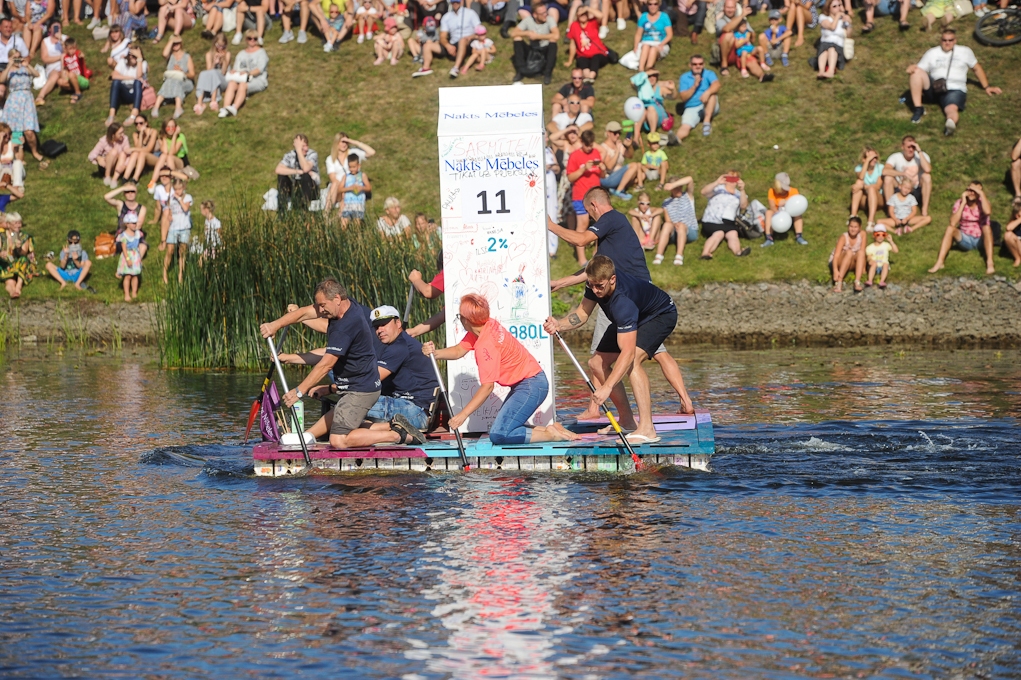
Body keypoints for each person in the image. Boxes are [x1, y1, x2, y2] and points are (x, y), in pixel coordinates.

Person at [546, 186, 696, 416]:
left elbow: (580, 240)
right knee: (654, 353)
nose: (590, 218)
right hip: (636, 296)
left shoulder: (610, 218)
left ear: (594, 206)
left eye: (588, 212)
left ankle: (604, 411)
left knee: (616, 359)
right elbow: (593, 270)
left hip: (625, 299)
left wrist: (549, 225)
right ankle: (686, 402)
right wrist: (561, 283)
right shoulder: (610, 239)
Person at [262, 279, 429, 449]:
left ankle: (398, 435)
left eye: (322, 305)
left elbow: (326, 363)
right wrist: (275, 325)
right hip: (355, 386)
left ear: (337, 299)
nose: (379, 330)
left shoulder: (348, 326)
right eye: (376, 325)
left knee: (338, 440)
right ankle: (308, 436)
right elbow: (305, 313)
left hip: (367, 390)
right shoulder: (345, 307)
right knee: (342, 409)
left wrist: (299, 391)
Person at [544, 255, 677, 444]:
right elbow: (582, 314)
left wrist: (606, 388)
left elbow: (628, 353)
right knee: (596, 363)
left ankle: (647, 429)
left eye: (601, 286)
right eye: (592, 285)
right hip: (634, 315)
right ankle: (627, 421)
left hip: (659, 315)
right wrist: (559, 325)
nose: (596, 291)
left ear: (612, 279)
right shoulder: (594, 284)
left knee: (632, 362)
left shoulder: (624, 302)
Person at [424, 293, 577, 444]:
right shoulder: (487, 325)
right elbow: (458, 350)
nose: (460, 320)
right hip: (529, 383)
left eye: (460, 316)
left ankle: (552, 435)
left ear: (467, 320)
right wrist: (435, 353)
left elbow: (487, 387)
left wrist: (462, 415)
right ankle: (551, 429)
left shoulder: (486, 345)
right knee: (504, 429)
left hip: (531, 385)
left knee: (500, 435)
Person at [907, 28, 1001, 136]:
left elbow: (977, 69)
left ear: (955, 40)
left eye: (950, 40)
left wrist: (987, 87)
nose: (947, 43)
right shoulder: (932, 52)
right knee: (916, 73)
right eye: (944, 40)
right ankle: (918, 109)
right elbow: (919, 68)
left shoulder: (965, 51)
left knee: (951, 108)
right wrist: (912, 68)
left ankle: (950, 123)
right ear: (940, 40)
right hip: (935, 86)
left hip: (954, 88)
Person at [928, 181, 995, 276]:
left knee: (987, 228)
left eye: (975, 191)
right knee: (950, 229)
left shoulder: (983, 202)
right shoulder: (959, 203)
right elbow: (953, 222)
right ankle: (940, 261)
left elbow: (987, 211)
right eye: (970, 190)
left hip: (980, 239)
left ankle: (990, 262)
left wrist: (981, 193)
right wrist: (963, 203)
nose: (972, 193)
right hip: (965, 239)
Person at [1, 50, 47, 167]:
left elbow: (37, 74)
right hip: (14, 101)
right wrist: (9, 65)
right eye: (15, 57)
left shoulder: (25, 69)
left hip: (27, 99)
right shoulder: (9, 71)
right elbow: (1, 80)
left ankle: (35, 151)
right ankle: (19, 157)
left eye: (19, 57)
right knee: (15, 131)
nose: (17, 59)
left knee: (29, 131)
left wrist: (27, 65)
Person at [565, 129, 603, 265]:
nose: (589, 148)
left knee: (601, 224)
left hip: (597, 196)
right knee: (582, 225)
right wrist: (583, 169)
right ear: (581, 142)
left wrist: (602, 168)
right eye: (587, 145)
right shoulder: (574, 156)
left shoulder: (596, 153)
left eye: (591, 145)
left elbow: (602, 175)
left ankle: (597, 256)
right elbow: (570, 177)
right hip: (580, 196)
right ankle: (582, 260)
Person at [699, 172, 751, 259]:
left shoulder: (739, 194)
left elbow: (744, 206)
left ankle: (738, 252)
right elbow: (703, 192)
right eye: (729, 178)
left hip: (729, 223)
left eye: (734, 179)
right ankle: (705, 253)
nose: (731, 181)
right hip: (712, 220)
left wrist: (742, 190)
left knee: (733, 234)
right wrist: (717, 182)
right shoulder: (717, 189)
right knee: (719, 233)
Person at [218, 30, 268, 118]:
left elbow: (260, 69)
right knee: (231, 83)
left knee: (242, 85)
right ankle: (225, 108)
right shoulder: (241, 54)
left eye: (255, 39)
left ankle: (234, 108)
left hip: (257, 79)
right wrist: (234, 71)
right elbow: (236, 68)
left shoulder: (261, 52)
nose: (252, 40)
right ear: (246, 40)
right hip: (241, 78)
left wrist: (248, 73)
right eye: (250, 38)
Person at [427, 0, 480, 79]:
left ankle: (456, 68)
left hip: (468, 42)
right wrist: (448, 46)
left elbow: (480, 32)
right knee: (428, 46)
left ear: (461, 2)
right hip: (453, 43)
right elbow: (442, 36)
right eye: (453, 1)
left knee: (462, 40)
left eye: (457, 1)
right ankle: (425, 67)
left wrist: (471, 37)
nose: (455, 3)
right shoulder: (446, 17)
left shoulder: (471, 13)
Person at [672, 53, 719, 141]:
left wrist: (707, 92)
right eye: (695, 64)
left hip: (708, 104)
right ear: (690, 65)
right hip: (692, 107)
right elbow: (683, 97)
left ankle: (706, 122)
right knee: (685, 125)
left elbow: (717, 85)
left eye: (700, 64)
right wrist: (694, 86)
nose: (698, 66)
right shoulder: (684, 77)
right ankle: (676, 139)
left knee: (712, 94)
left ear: (704, 65)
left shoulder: (709, 73)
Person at [882, 136, 931, 218]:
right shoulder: (896, 157)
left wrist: (919, 151)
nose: (911, 150)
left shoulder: (921, 155)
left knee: (927, 177)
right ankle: (890, 211)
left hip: (916, 189)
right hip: (900, 189)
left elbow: (928, 169)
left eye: (913, 147)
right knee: (888, 178)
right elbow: (885, 171)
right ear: (902, 147)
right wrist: (903, 174)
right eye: (908, 147)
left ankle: (924, 211)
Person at [510, 1, 558, 85]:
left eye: (545, 12)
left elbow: (556, 35)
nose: (545, 15)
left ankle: (547, 73)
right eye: (542, 13)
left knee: (553, 41)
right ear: (535, 15)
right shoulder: (528, 20)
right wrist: (527, 33)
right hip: (532, 49)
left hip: (545, 49)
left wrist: (538, 37)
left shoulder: (549, 19)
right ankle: (520, 70)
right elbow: (513, 33)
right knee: (517, 39)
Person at [654, 175, 697, 266]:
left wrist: (674, 184)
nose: (679, 189)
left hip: (689, 230)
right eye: (676, 188)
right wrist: (674, 224)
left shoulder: (687, 196)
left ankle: (679, 255)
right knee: (666, 225)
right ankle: (659, 255)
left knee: (681, 225)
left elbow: (690, 179)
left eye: (680, 187)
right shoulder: (666, 202)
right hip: (674, 230)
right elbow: (668, 220)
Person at [35, 34, 89, 105]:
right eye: (70, 49)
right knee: (60, 81)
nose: (72, 51)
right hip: (72, 78)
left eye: (73, 48)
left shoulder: (76, 53)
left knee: (71, 74)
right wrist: (62, 58)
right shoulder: (65, 57)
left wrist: (81, 56)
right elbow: (64, 70)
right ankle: (76, 88)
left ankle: (78, 93)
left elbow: (80, 55)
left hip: (82, 79)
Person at [275, 133, 320, 213]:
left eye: (306, 146)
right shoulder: (290, 155)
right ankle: (282, 210)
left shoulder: (312, 154)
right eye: (302, 146)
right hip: (296, 185)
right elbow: (278, 169)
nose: (305, 149)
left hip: (311, 187)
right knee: (282, 177)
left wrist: (299, 152)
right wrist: (298, 171)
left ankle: (302, 209)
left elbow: (305, 168)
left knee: (306, 176)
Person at [153, 36, 194, 119]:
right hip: (170, 81)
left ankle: (178, 107)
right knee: (169, 81)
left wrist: (182, 71)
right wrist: (171, 40)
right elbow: (164, 54)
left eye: (177, 43)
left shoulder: (187, 57)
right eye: (174, 43)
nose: (176, 45)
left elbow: (192, 74)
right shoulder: (170, 56)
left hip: (185, 80)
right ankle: (156, 107)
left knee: (177, 81)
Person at [565, 6, 611, 81]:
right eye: (581, 14)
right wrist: (570, 60)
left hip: (598, 53)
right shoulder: (574, 25)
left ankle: (591, 76)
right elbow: (572, 44)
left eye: (585, 13)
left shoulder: (593, 22)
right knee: (581, 61)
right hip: (583, 54)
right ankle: (586, 76)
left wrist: (587, 8)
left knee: (596, 59)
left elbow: (601, 15)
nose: (583, 15)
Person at [105, 183, 149, 260]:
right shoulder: (121, 205)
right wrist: (122, 188)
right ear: (124, 193)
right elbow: (106, 197)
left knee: (143, 247)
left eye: (132, 191)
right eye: (127, 192)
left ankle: (136, 264)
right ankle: (128, 259)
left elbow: (138, 225)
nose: (130, 194)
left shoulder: (142, 208)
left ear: (136, 192)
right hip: (122, 236)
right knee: (124, 244)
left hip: (136, 236)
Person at [762, 172, 807, 247]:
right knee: (768, 212)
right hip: (777, 213)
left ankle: (799, 236)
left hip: (790, 213)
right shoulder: (771, 191)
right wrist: (778, 212)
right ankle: (769, 238)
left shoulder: (794, 191)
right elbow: (772, 206)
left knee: (798, 214)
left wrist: (786, 202)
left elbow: (797, 206)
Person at [105, 45, 145, 127]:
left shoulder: (143, 63)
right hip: (124, 93)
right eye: (131, 55)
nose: (132, 57)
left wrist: (139, 59)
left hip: (136, 93)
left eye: (135, 56)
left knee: (137, 82)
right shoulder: (123, 62)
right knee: (116, 82)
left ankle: (134, 114)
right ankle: (111, 114)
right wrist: (130, 77)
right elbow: (114, 76)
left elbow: (139, 75)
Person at [598, 120, 638, 201]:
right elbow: (609, 166)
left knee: (639, 176)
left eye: (619, 133)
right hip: (608, 178)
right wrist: (617, 150)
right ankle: (619, 191)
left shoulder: (619, 144)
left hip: (618, 176)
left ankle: (615, 188)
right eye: (615, 133)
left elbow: (630, 156)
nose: (618, 135)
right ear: (608, 133)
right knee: (634, 166)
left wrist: (629, 146)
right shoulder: (603, 147)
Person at [147, 119, 189, 192]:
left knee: (169, 157)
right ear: (164, 128)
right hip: (168, 162)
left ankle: (173, 181)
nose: (171, 129)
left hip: (180, 162)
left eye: (173, 127)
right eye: (168, 127)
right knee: (163, 156)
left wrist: (175, 136)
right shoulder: (162, 138)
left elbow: (172, 152)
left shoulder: (181, 137)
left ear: (176, 128)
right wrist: (164, 138)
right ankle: (152, 182)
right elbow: (165, 151)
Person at [163, 178, 192, 283]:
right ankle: (165, 273)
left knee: (182, 252)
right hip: (174, 228)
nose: (177, 192)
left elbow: (185, 209)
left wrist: (179, 199)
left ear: (183, 188)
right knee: (170, 250)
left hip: (184, 228)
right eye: (175, 189)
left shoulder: (187, 197)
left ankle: (181, 274)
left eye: (179, 189)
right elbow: (170, 210)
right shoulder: (171, 198)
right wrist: (170, 216)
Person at [0, 212, 35, 298]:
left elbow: (24, 253)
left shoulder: (24, 236)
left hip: (21, 264)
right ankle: (12, 291)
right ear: (8, 224)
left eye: (20, 222)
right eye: (16, 223)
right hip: (7, 264)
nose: (19, 225)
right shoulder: (1, 236)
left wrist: (19, 249)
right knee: (9, 280)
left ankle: (18, 286)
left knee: (23, 260)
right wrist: (1, 254)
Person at [194, 33, 230, 115]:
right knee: (203, 73)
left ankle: (214, 100)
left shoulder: (227, 54)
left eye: (223, 46)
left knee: (213, 72)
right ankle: (200, 103)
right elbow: (208, 71)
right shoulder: (209, 54)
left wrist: (223, 60)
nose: (220, 48)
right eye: (218, 45)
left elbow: (224, 72)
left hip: (224, 80)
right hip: (212, 78)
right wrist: (214, 63)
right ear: (214, 44)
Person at [813, 0, 850, 80]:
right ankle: (821, 71)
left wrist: (848, 23)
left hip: (838, 46)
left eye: (839, 5)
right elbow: (831, 27)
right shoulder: (823, 17)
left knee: (832, 48)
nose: (838, 8)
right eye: (834, 6)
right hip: (825, 44)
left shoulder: (842, 19)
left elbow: (849, 35)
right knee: (826, 49)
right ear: (828, 8)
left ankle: (830, 71)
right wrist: (837, 16)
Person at [633, 0, 671, 73]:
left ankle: (648, 69)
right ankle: (640, 69)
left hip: (660, 42)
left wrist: (662, 44)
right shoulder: (643, 17)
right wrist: (635, 46)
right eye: (650, 4)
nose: (652, 6)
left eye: (655, 4)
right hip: (646, 41)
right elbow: (638, 34)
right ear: (647, 5)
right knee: (645, 46)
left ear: (659, 5)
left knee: (653, 49)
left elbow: (669, 35)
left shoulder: (664, 16)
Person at [88, 123, 131, 188]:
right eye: (120, 133)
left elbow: (129, 155)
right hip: (106, 166)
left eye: (123, 132)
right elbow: (91, 155)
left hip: (119, 166)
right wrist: (98, 158)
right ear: (113, 135)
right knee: (114, 151)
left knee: (123, 153)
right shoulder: (103, 141)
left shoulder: (125, 139)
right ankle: (107, 176)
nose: (123, 135)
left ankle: (114, 179)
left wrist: (125, 166)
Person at [829, 216, 865, 292]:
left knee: (861, 252)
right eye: (851, 226)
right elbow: (836, 255)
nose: (853, 229)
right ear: (848, 226)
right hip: (839, 260)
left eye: (855, 227)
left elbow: (862, 251)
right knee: (849, 252)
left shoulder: (862, 235)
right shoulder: (843, 237)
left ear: (859, 228)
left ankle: (857, 282)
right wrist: (835, 270)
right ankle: (839, 282)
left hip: (851, 261)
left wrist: (863, 267)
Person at [850, 146, 882, 230]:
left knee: (869, 188)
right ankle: (853, 216)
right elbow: (861, 177)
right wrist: (867, 162)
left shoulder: (880, 167)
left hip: (878, 198)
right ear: (864, 159)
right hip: (865, 199)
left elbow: (878, 186)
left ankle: (871, 221)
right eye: (871, 158)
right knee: (858, 182)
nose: (874, 160)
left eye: (875, 157)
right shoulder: (859, 168)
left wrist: (863, 186)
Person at [116, 212, 143, 301]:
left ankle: (134, 292)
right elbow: (124, 248)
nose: (135, 225)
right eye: (133, 223)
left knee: (135, 275)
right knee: (127, 276)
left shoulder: (137, 234)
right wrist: (127, 259)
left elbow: (138, 246)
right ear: (127, 224)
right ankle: (127, 294)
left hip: (135, 256)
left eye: (136, 223)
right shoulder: (124, 236)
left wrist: (139, 258)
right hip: (128, 255)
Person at [340, 154, 370, 226]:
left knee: (357, 224)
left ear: (359, 166)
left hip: (358, 203)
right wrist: (349, 188)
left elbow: (369, 187)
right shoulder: (346, 176)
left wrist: (362, 188)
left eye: (354, 167)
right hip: (347, 203)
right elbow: (339, 189)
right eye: (350, 167)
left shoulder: (362, 175)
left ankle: (357, 236)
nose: (352, 169)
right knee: (344, 223)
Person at [195, 199, 222, 265]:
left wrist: (220, 246)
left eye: (202, 209)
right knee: (202, 260)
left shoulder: (216, 222)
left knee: (207, 261)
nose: (201, 211)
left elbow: (220, 235)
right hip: (209, 245)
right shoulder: (206, 221)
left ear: (206, 210)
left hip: (215, 245)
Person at [1002, 197, 1021, 268]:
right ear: (1017, 215)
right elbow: (1008, 228)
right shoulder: (1016, 222)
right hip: (1018, 246)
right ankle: (1017, 258)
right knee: (1008, 235)